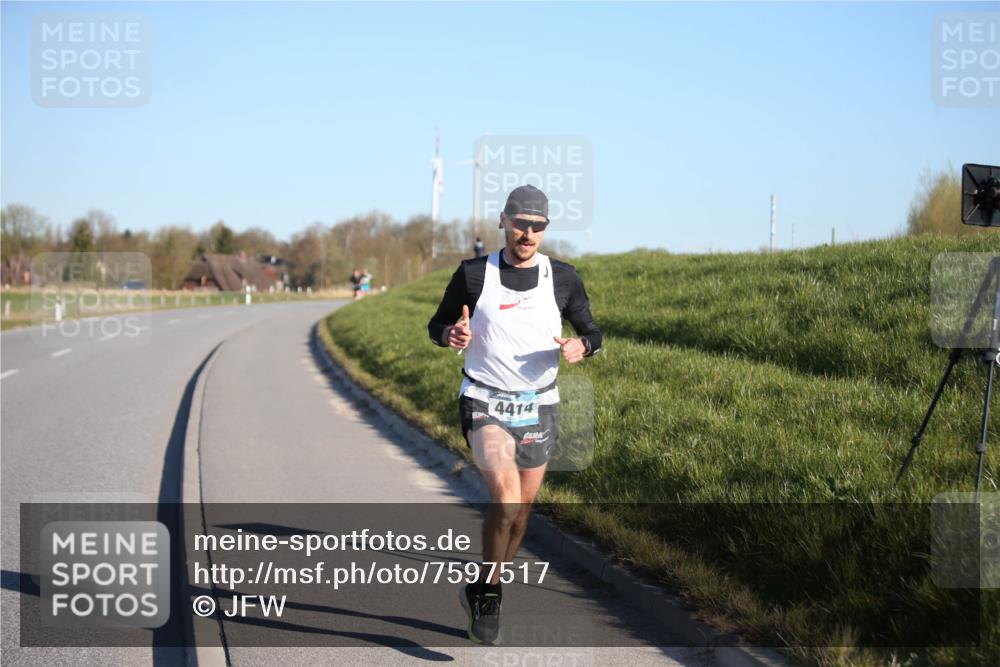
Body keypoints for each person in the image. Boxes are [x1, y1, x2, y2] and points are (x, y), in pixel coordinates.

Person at [427, 184, 602, 645]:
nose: (528, 234)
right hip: (483, 398)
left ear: (545, 229)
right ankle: (487, 595)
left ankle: (488, 582)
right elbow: (437, 324)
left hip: (539, 403)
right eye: (521, 223)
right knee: (504, 500)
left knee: (521, 514)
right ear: (504, 220)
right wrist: (451, 336)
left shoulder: (562, 278)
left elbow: (592, 331)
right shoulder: (472, 275)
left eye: (537, 226)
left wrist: (582, 345)